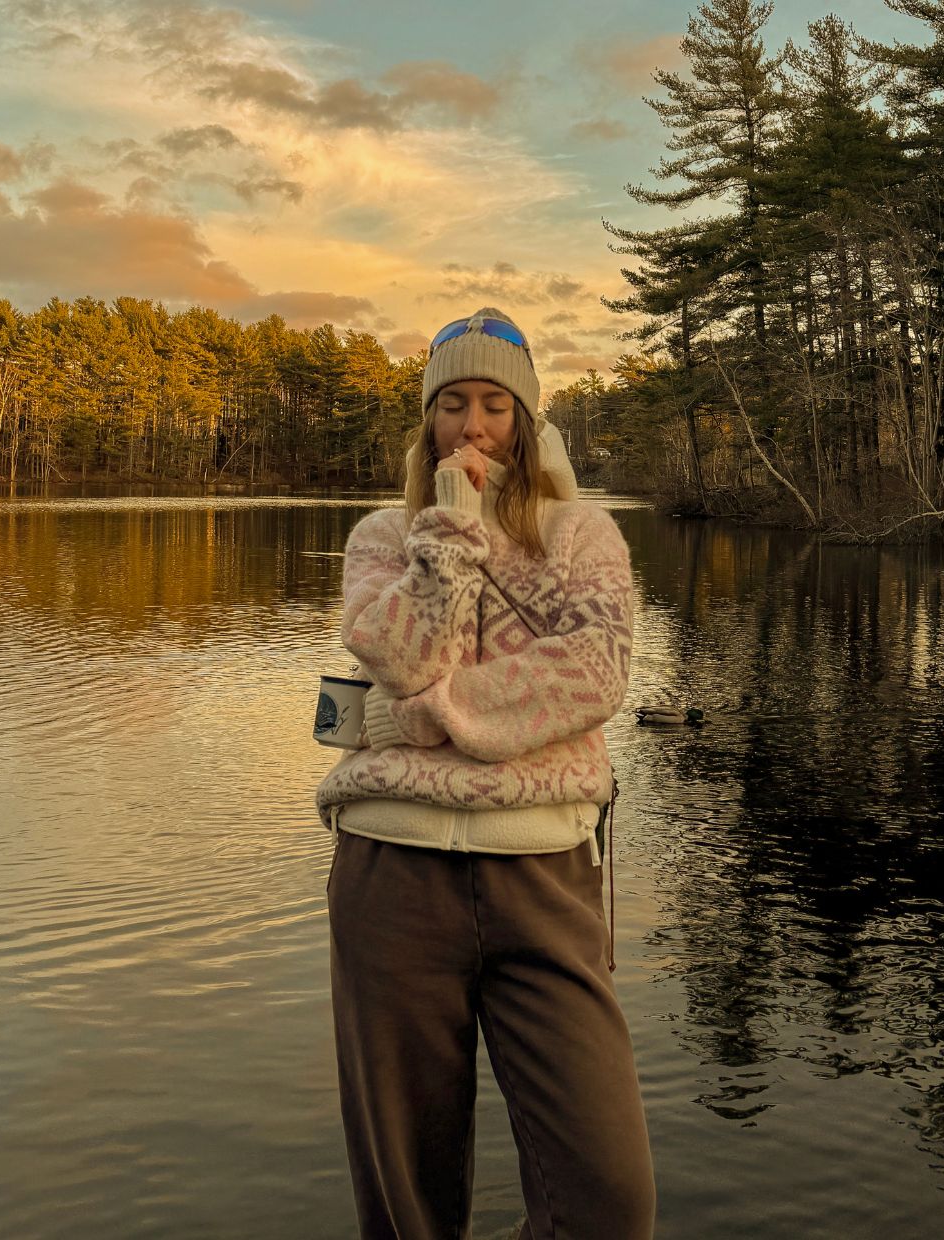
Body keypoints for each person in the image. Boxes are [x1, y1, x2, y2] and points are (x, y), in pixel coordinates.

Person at [316, 307, 655, 1240]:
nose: (473, 427)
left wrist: (409, 722)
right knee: (407, 1201)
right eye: (453, 405)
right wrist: (451, 538)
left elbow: (591, 677)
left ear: (527, 423)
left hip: (544, 872)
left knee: (609, 1200)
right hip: (392, 871)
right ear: (428, 423)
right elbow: (401, 652)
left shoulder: (583, 536)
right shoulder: (384, 537)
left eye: (495, 406)